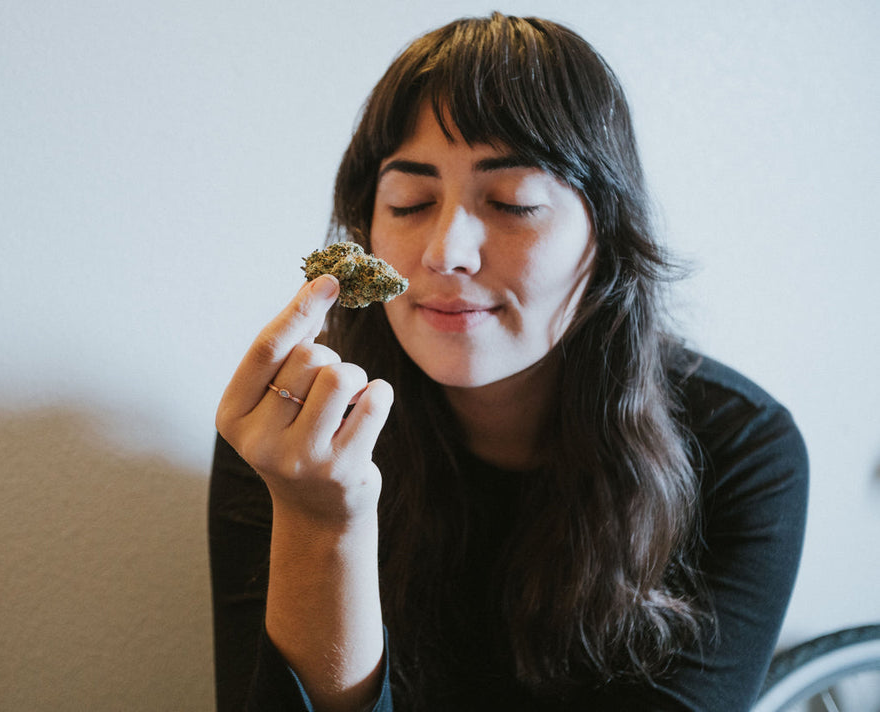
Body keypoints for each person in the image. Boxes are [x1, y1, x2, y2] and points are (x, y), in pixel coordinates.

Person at [209, 12, 808, 712]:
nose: (445, 252)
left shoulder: (739, 450)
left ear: (608, 235)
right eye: (409, 202)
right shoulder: (297, 435)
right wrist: (322, 524)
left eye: (513, 203)